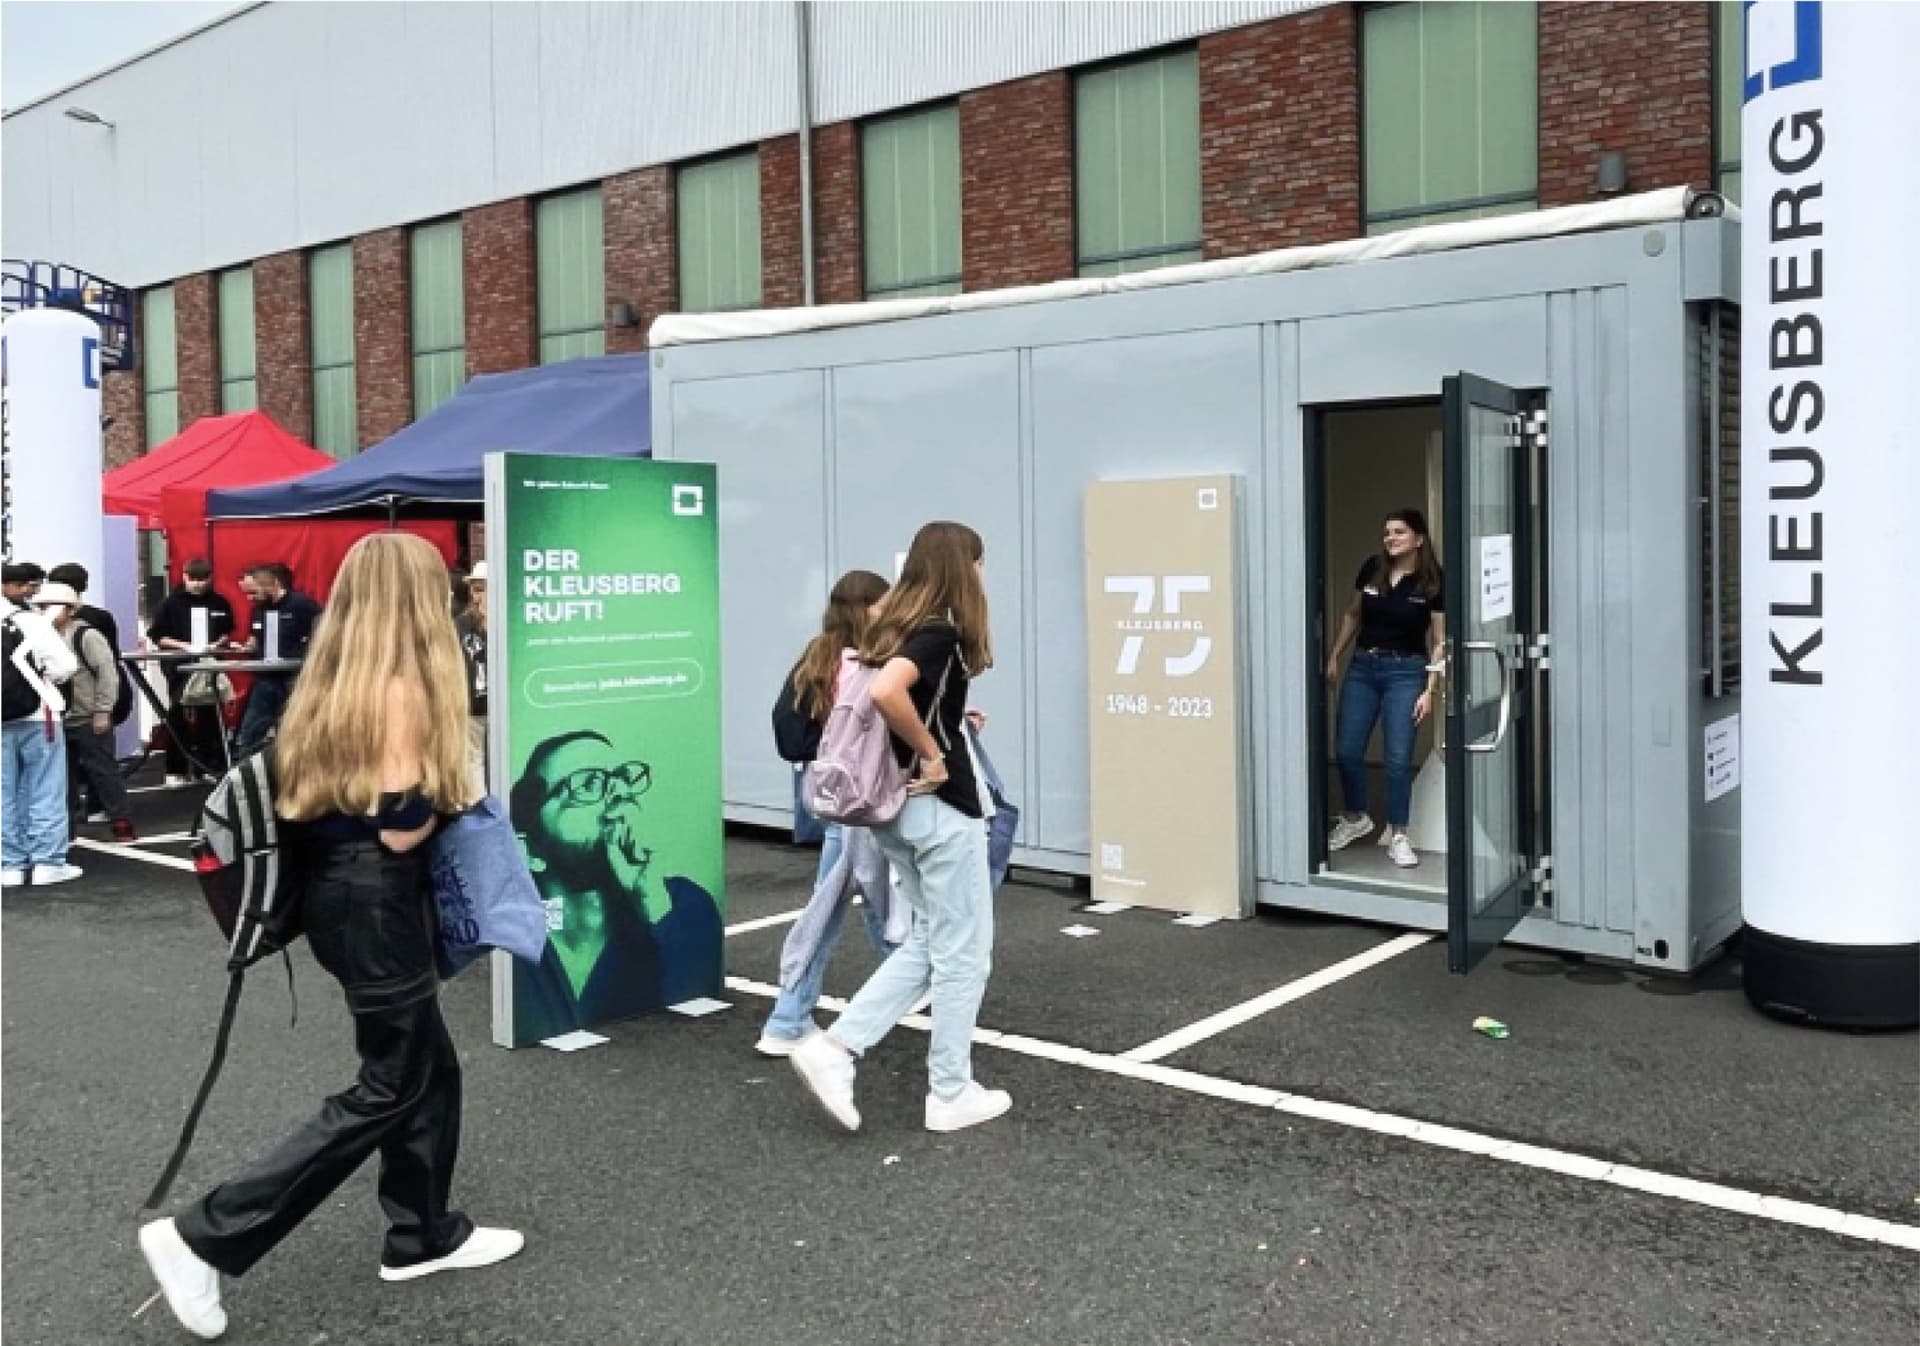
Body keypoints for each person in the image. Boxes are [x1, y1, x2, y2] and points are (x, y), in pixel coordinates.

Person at [139, 533, 521, 1342]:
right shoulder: (404, 688)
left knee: (427, 1068)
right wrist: (456, 796)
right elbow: (399, 828)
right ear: (422, 600)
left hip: (334, 898)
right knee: (390, 1083)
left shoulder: (329, 676)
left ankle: (421, 1235)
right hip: (378, 900)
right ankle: (202, 1236)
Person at [790, 521, 1009, 1135]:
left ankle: (836, 1049)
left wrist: (941, 721)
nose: (984, 575)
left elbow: (884, 693)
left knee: (930, 942)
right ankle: (949, 1091)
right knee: (965, 955)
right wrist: (934, 753)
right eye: (980, 563)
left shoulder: (892, 624)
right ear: (962, 568)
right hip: (940, 808)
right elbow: (889, 692)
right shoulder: (939, 628)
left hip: (889, 810)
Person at [756, 569, 895, 1057]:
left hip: (829, 794)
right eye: (884, 602)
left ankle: (790, 1018)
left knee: (845, 896)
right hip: (869, 798)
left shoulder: (819, 656)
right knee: (870, 896)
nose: (891, 607)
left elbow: (788, 732)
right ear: (866, 608)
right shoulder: (870, 661)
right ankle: (791, 1018)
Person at [510, 731, 723, 1042]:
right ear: (532, 852)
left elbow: (689, 1008)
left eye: (623, 778)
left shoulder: (685, 907)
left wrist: (650, 899)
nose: (619, 794)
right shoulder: (516, 938)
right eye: (587, 784)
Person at [1323, 507, 1447, 869]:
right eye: (1387, 532)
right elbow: (1352, 614)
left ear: (1419, 539)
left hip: (1406, 672)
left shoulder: (1433, 582)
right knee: (1346, 749)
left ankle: (1399, 835)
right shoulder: (1372, 569)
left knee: (1396, 758)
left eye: (1399, 532)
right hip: (1363, 667)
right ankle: (1355, 817)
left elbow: (1440, 640)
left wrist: (1430, 689)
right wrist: (1334, 655)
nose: (1390, 538)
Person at [35, 584, 136, 843]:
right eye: (43, 606)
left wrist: (103, 710)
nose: (46, 611)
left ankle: (121, 821)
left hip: (87, 715)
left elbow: (107, 673)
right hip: (57, 718)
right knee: (61, 778)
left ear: (70, 609)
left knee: (103, 771)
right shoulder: (42, 636)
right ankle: (65, 830)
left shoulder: (87, 636)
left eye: (53, 606)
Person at [2, 583, 81, 887]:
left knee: (4, 793)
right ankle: (47, 862)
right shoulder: (29, 621)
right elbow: (65, 666)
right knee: (45, 787)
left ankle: (9, 864)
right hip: (38, 714)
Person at [147, 559, 239, 784]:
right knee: (178, 714)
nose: (197, 584)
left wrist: (218, 643)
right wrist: (185, 646)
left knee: (211, 714)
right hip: (179, 666)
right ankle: (176, 769)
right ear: (184, 576)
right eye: (193, 579)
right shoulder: (170, 604)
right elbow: (159, 636)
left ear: (211, 578)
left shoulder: (219, 602)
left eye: (203, 579)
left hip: (210, 663)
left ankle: (209, 767)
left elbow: (227, 631)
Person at [235, 563, 323, 755]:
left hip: (296, 679)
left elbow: (324, 635)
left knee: (299, 731)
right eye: (247, 594)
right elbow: (255, 639)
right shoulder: (258, 610)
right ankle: (245, 772)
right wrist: (247, 648)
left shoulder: (302, 605)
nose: (250, 599)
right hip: (266, 679)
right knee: (250, 733)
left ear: (273, 585)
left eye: (254, 593)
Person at [454, 561, 488, 796]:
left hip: (503, 707)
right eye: (476, 589)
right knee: (473, 762)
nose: (479, 596)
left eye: (484, 588)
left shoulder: (509, 620)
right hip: (472, 706)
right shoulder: (461, 624)